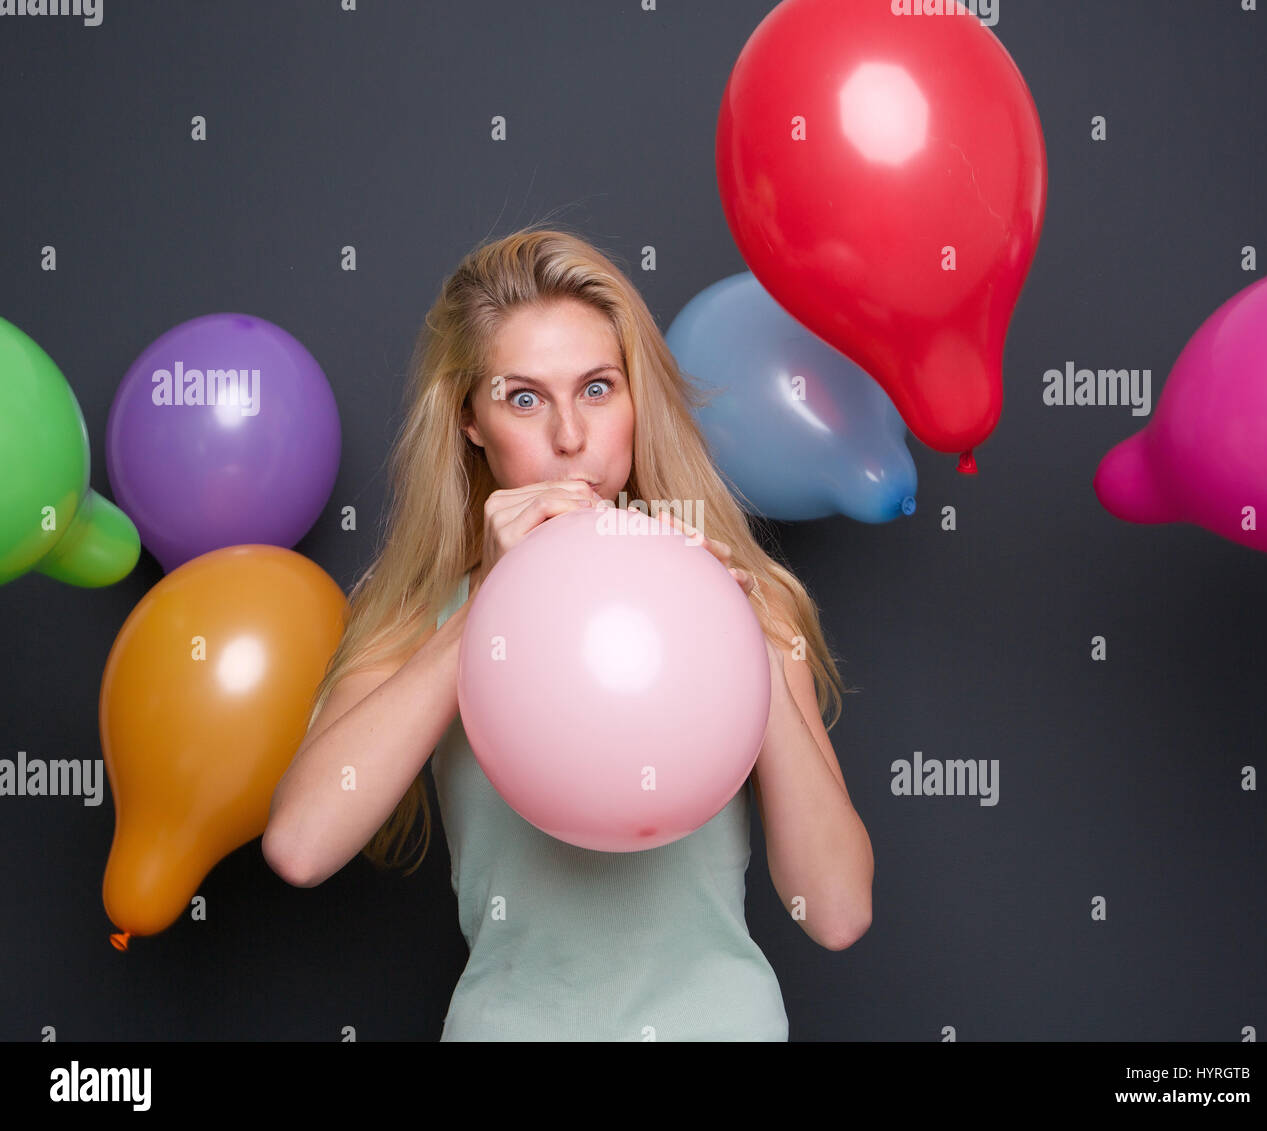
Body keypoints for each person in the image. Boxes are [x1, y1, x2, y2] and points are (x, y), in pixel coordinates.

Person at [262, 224, 875, 1040]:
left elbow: (834, 912)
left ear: (635, 399)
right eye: (524, 397)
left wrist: (742, 637)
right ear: (470, 420)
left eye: (597, 388)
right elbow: (301, 846)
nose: (569, 437)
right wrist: (489, 608)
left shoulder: (743, 599)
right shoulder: (423, 617)